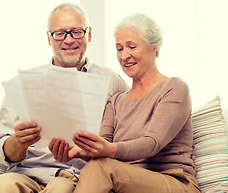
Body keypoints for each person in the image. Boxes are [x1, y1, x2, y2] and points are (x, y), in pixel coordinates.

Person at [0, 3, 129, 193]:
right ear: (49, 38)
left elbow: (124, 143)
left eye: (76, 32)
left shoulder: (113, 82)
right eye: (60, 33)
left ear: (89, 35)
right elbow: (3, 152)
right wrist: (19, 142)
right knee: (1, 186)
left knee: (60, 189)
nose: (69, 40)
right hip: (27, 174)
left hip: (75, 177)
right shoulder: (24, 83)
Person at [49, 13, 201, 192]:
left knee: (102, 166)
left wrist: (109, 149)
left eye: (132, 47)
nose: (124, 55)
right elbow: (102, 144)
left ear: (154, 47)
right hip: (125, 183)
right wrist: (78, 152)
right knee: (91, 168)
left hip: (172, 181)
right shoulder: (116, 101)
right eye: (119, 48)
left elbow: (152, 142)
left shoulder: (174, 88)